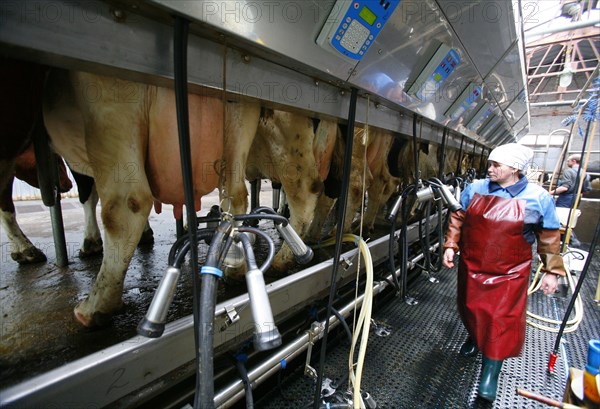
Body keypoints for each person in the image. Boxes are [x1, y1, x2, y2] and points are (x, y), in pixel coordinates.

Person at [442, 143, 566, 402]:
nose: (490, 169)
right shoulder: (475, 189)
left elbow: (549, 237)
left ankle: (490, 373)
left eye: (497, 165)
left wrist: (551, 272)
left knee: (500, 320)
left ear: (515, 168)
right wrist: (451, 245)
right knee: (471, 308)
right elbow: (458, 217)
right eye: (490, 163)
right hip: (473, 265)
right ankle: (475, 338)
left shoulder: (538, 197)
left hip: (510, 271)